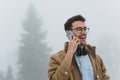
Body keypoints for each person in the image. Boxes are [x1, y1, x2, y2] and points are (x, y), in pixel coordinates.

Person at [48, 15, 110, 80]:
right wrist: (69, 54)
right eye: (79, 29)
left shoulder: (97, 59)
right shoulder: (55, 59)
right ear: (69, 33)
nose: (83, 32)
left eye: (85, 29)